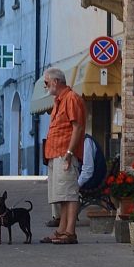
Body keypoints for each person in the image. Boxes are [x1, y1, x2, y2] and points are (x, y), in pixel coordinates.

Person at [40, 67, 86, 244]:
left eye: (46, 82)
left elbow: (78, 127)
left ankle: (70, 232)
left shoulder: (71, 98)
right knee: (61, 194)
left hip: (64, 153)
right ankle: (61, 230)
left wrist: (69, 152)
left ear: (55, 82)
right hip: (55, 153)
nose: (45, 86)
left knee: (69, 193)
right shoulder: (60, 100)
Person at [45, 133, 106, 226]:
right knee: (58, 178)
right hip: (88, 178)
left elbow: (88, 170)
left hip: (93, 181)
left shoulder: (86, 142)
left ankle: (60, 218)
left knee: (62, 181)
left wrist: (76, 185)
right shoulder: (81, 142)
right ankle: (59, 216)